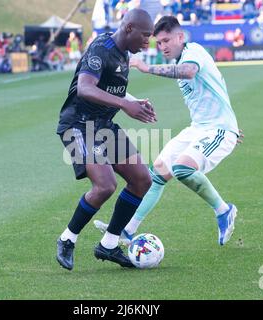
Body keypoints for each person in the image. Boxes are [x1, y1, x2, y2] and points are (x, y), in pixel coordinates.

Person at [95, 16, 243, 247]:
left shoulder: (193, 52)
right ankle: (128, 230)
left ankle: (224, 211)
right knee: (158, 173)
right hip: (200, 128)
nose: (163, 46)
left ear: (180, 37)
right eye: (159, 42)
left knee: (182, 168)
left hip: (217, 129)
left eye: (166, 40)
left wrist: (147, 68)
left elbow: (189, 71)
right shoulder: (182, 56)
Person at [56, 9, 156, 271]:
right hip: (77, 125)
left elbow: (110, 88)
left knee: (142, 179)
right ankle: (67, 239)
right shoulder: (102, 48)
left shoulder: (124, 52)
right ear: (130, 28)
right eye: (145, 36)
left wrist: (135, 103)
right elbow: (85, 87)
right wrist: (124, 104)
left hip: (103, 126)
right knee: (105, 186)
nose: (148, 42)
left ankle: (109, 245)